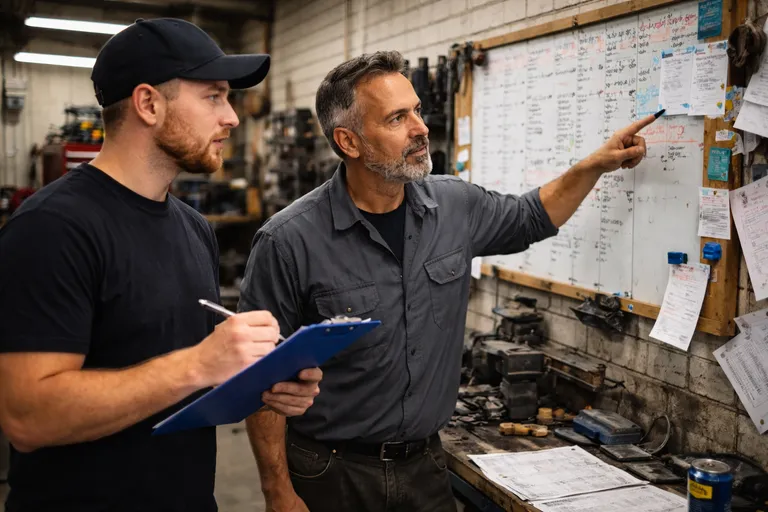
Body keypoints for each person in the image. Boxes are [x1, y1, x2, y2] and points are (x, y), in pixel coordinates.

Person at [239, 50, 657, 511]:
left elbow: (532, 216)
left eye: (416, 110)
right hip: (330, 474)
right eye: (397, 118)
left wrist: (594, 165)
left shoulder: (455, 205)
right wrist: (276, 489)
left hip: (425, 469)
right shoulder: (287, 241)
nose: (420, 128)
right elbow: (259, 377)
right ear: (349, 141)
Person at [0, 18, 322, 512]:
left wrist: (263, 384)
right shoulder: (52, 227)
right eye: (214, 96)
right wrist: (199, 363)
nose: (232, 117)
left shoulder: (193, 228)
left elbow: (170, 378)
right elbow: (27, 418)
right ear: (149, 104)